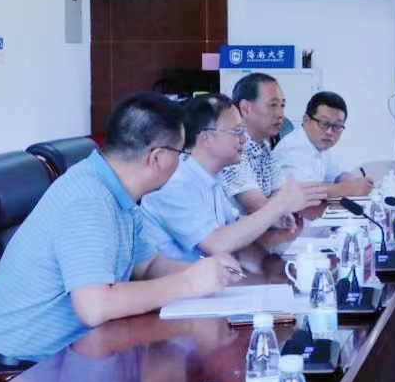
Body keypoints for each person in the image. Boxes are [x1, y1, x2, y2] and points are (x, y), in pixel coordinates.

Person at [0, 93, 242, 365]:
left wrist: (208, 273)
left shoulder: (118, 191)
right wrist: (188, 283)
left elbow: (147, 266)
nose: (182, 163)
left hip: (72, 356)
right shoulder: (89, 197)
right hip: (19, 371)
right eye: (181, 154)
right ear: (157, 158)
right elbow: (95, 307)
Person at [140, 94, 329, 267]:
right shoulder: (175, 182)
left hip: (209, 279)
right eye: (237, 131)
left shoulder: (211, 175)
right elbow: (217, 243)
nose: (244, 140)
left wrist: (273, 219)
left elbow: (231, 223)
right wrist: (277, 206)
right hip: (175, 288)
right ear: (206, 137)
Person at [272, 91, 374, 198]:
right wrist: (352, 188)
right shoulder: (292, 148)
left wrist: (358, 181)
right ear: (306, 120)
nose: (330, 132)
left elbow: (337, 176)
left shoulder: (319, 145)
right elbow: (308, 192)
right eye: (324, 123)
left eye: (337, 126)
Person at [221, 72, 287, 213]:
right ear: (246, 108)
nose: (280, 114)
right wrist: (276, 204)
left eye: (282, 105)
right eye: (273, 105)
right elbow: (259, 208)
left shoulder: (264, 146)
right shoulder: (232, 149)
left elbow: (283, 192)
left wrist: (276, 203)